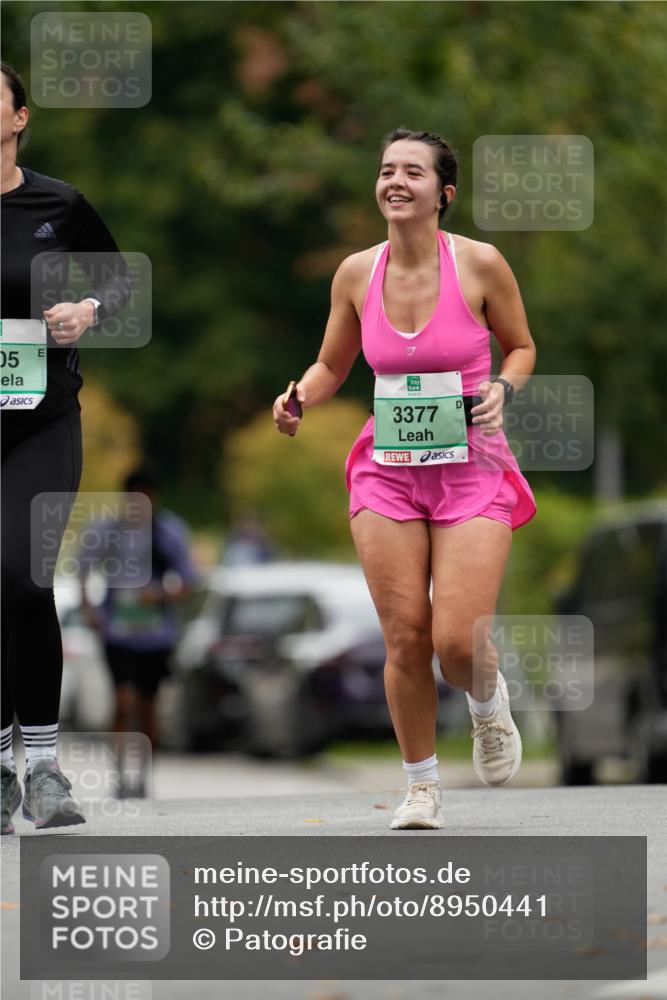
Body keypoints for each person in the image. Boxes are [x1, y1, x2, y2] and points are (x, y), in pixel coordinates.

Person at [273, 128, 537, 830]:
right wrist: (299, 395)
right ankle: (420, 786)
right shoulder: (356, 273)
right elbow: (332, 365)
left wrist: (503, 391)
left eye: (412, 172)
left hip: (471, 466)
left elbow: (520, 346)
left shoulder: (480, 264)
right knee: (403, 635)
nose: (394, 181)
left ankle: (484, 705)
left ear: (441, 194)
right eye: (386, 170)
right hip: (388, 469)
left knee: (456, 640)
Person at [0, 62, 130, 833]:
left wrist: (87, 308)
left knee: (22, 575)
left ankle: (42, 765)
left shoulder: (59, 203)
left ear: (20, 117)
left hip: (42, 419)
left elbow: (122, 283)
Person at [80, 465, 198, 791]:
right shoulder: (107, 529)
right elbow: (82, 569)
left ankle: (143, 777)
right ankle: (119, 776)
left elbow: (189, 581)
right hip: (117, 632)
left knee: (147, 706)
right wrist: (89, 610)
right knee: (121, 701)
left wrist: (159, 594)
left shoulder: (169, 531)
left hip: (156, 634)